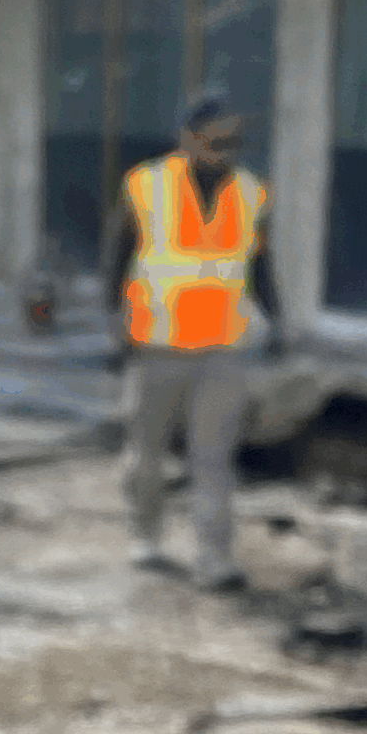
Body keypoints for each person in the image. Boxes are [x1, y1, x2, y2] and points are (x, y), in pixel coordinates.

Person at [106, 85, 280, 591]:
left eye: (234, 142)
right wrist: (114, 326)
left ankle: (214, 559)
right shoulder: (146, 185)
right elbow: (116, 260)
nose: (227, 152)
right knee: (147, 455)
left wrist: (278, 321)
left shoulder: (252, 193)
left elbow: (261, 267)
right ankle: (146, 536)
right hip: (155, 345)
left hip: (222, 348)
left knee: (213, 460)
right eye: (216, 141)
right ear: (188, 139)